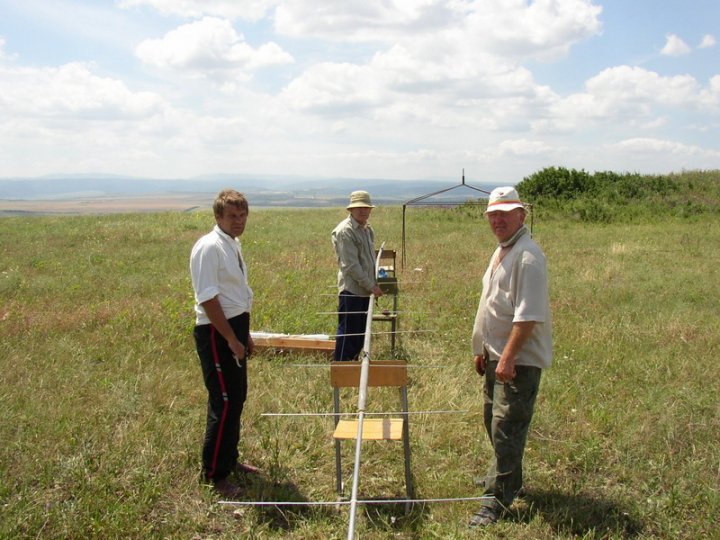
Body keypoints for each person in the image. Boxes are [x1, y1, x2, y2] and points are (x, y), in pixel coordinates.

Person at [469, 186, 553, 527]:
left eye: (505, 213)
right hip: (495, 355)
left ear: (522, 215)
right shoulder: (503, 249)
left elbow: (528, 316)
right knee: (493, 420)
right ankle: (507, 479)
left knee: (507, 428)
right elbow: (490, 303)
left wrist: (507, 358)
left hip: (516, 361)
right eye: (493, 214)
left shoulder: (528, 256)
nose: (498, 219)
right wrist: (482, 349)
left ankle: (496, 501)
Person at [190, 189, 259, 498]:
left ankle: (229, 460)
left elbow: (235, 294)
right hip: (216, 332)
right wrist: (230, 338)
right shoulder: (208, 247)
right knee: (224, 400)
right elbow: (208, 298)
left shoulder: (232, 244)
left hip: (234, 327)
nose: (238, 221)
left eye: (242, 215)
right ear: (217, 216)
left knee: (237, 397)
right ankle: (215, 474)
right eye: (232, 216)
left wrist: (243, 333)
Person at [331, 190, 383, 361]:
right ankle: (341, 372)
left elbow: (368, 260)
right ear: (351, 210)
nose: (363, 211)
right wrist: (371, 286)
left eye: (366, 208)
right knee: (348, 336)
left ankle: (352, 369)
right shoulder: (345, 231)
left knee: (360, 336)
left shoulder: (367, 229)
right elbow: (352, 266)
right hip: (352, 292)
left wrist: (372, 283)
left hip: (364, 290)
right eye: (359, 208)